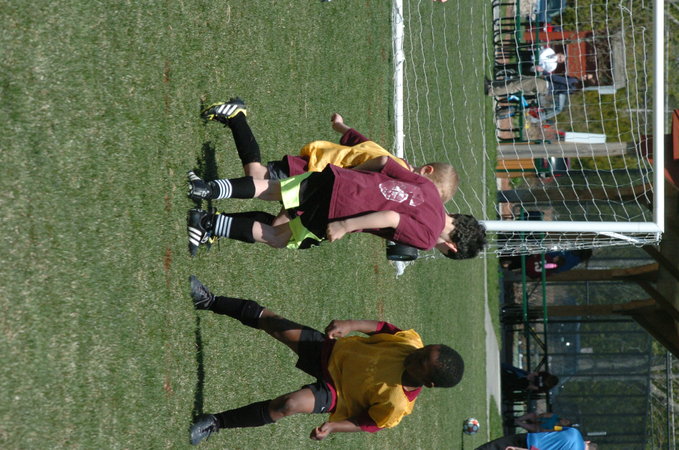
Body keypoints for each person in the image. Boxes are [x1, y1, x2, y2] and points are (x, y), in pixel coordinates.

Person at [187, 98, 486, 257]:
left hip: (337, 179)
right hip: (337, 211)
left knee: (271, 188)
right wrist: (345, 225)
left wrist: (348, 176)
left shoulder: (430, 191)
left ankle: (206, 188)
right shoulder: (428, 236)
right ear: (452, 246)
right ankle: (206, 222)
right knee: (278, 236)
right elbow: (392, 218)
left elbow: (382, 160)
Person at [187, 276, 465, 445]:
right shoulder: (410, 344)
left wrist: (334, 426)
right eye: (424, 350)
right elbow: (383, 328)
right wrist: (350, 324)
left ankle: (216, 422)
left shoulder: (398, 405)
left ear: (428, 382)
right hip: (333, 351)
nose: (416, 353)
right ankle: (209, 301)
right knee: (276, 324)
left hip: (336, 393)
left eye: (421, 361)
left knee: (288, 405)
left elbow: (368, 423)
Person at [201, 106, 459, 204]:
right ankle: (236, 118)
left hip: (318, 176)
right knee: (257, 176)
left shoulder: (399, 172)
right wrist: (341, 176)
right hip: (315, 169)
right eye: (427, 189)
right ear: (426, 171)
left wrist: (342, 127)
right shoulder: (396, 170)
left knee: (262, 185)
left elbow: (365, 145)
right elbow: (370, 152)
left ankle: (216, 219)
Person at [475, 427, 597, 450]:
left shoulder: (574, 431)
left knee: (493, 446)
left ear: (588, 441)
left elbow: (553, 428)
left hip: (530, 438)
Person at [484, 73, 594, 98]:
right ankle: (492, 83)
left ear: (585, 81)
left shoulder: (573, 81)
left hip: (543, 84)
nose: (584, 75)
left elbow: (556, 79)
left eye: (586, 77)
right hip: (544, 91)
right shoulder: (574, 90)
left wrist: (545, 73)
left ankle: (492, 91)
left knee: (514, 85)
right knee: (518, 81)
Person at [500, 249, 593, 279]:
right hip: (539, 266)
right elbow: (556, 269)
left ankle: (504, 259)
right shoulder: (574, 262)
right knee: (523, 265)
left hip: (543, 259)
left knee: (523, 259)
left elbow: (556, 259)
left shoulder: (572, 254)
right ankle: (507, 265)